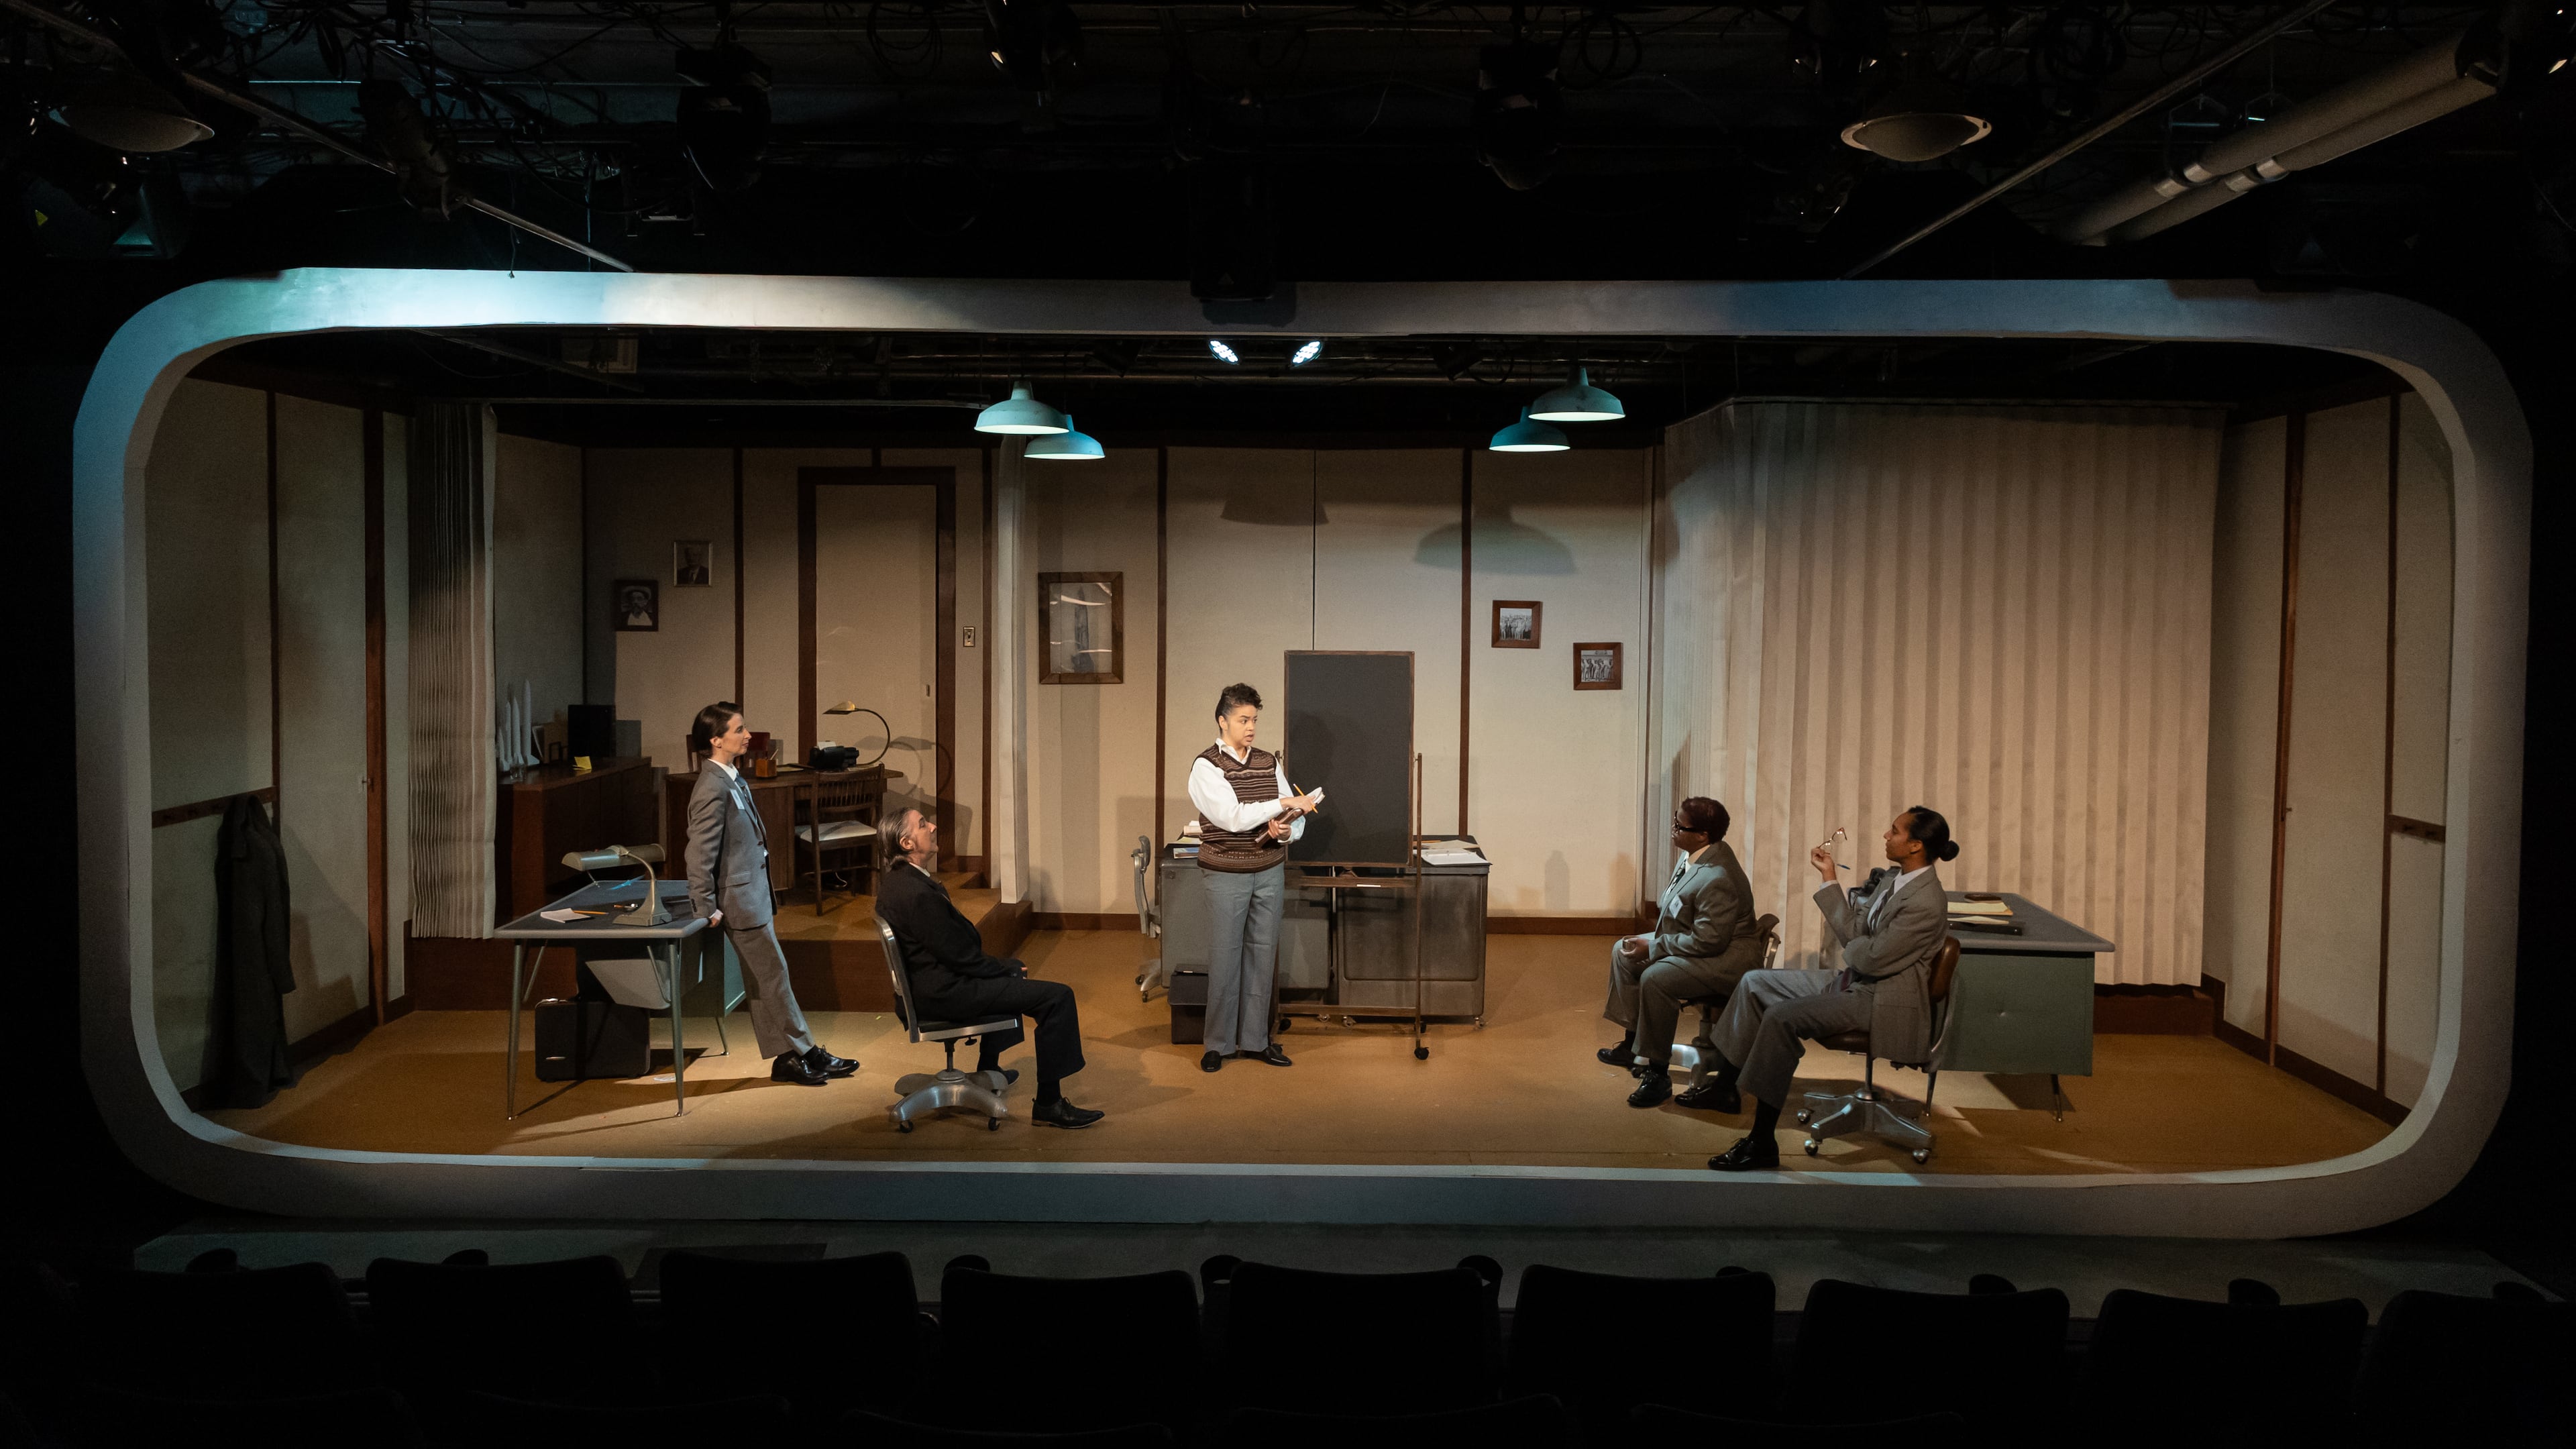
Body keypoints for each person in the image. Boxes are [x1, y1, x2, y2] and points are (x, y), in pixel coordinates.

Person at [1703, 806, 1957, 1172]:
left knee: (1780, 1018)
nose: (1887, 835)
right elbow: (1857, 936)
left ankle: (1761, 1142)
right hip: (1859, 981)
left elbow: (1869, 959)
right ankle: (1726, 1087)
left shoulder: (1926, 902)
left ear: (1916, 845)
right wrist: (1829, 878)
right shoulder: (1894, 879)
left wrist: (1856, 950)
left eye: (1895, 831)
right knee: (1754, 982)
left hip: (1883, 999)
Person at [875, 805, 1103, 1128]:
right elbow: (960, 957)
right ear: (907, 844)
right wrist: (1001, 967)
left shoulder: (898, 883)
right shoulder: (916, 894)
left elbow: (953, 951)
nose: (934, 827)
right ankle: (1050, 1104)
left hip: (928, 986)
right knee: (1058, 998)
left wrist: (1005, 967)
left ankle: (989, 1069)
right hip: (945, 993)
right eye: (923, 824)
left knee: (1014, 968)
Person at [685, 701, 855, 1087]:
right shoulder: (711, 787)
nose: (748, 735)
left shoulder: (731, 777)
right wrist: (705, 906)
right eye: (739, 730)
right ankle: (809, 1052)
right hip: (738, 902)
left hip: (752, 896)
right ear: (716, 740)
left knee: (765, 981)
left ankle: (787, 1059)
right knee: (774, 975)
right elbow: (699, 853)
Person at [1599, 796, 1768, 1109]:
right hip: (1696, 942)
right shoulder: (1696, 854)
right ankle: (1632, 1043)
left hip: (1726, 960)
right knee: (1623, 950)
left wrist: (1655, 947)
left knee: (1657, 978)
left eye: (1679, 826)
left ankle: (1658, 1074)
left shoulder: (1719, 877)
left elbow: (1710, 942)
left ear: (1702, 834)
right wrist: (1650, 944)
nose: (1673, 830)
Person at [1185, 683, 1319, 1073]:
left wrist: (1286, 830)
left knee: (1263, 956)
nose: (1251, 728)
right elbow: (1232, 816)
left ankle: (1258, 1040)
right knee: (1226, 957)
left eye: (1254, 720)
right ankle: (1218, 1044)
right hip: (1226, 873)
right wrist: (1282, 804)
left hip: (1269, 872)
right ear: (1222, 720)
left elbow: (1292, 819)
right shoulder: (1206, 766)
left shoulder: (1267, 761)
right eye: (1243, 720)